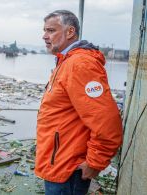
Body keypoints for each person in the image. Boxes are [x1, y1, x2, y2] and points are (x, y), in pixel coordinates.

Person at [35, 10, 123, 195]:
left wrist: (95, 162)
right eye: (44, 30)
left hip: (67, 169)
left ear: (70, 32)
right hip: (56, 162)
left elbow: (107, 121)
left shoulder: (80, 65)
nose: (44, 36)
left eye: (51, 30)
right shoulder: (65, 62)